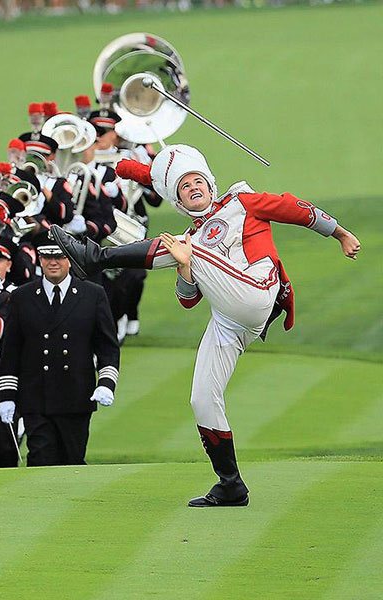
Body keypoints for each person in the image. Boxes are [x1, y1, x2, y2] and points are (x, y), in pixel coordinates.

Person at [50, 144, 362, 507]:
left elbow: (296, 209)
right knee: (202, 399)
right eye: (184, 186)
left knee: (188, 245)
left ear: (211, 185)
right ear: (180, 202)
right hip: (229, 318)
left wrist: (340, 233)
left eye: (199, 181)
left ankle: (98, 258)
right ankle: (230, 483)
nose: (194, 187)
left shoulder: (242, 203)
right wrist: (183, 266)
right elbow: (188, 299)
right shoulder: (191, 238)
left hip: (258, 292)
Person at [0, 230, 120, 466]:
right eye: (46, 257)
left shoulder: (92, 295)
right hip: (35, 398)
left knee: (73, 459)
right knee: (40, 458)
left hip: (76, 396)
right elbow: (11, 351)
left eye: (59, 257)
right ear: (39, 259)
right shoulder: (22, 296)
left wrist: (106, 383)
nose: (53, 262)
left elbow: (107, 348)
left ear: (69, 260)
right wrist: (7, 396)